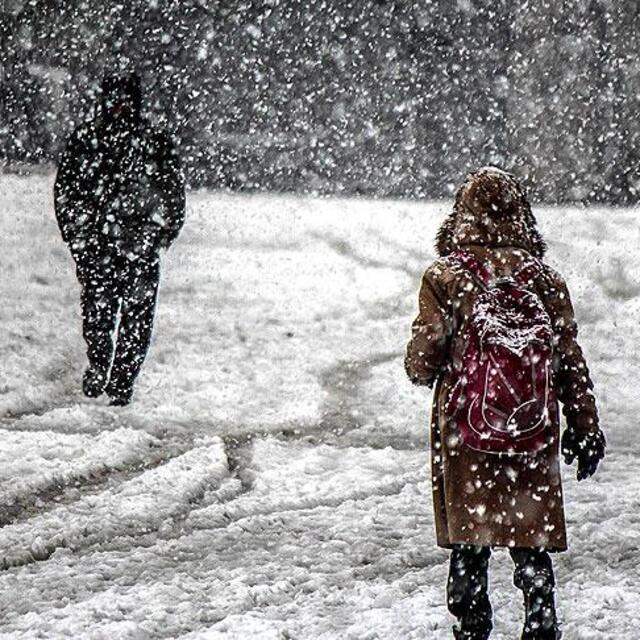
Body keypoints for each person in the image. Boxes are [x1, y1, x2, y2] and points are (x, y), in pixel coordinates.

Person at [405, 167, 605, 640]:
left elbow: (422, 360)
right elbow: (568, 360)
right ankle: (540, 620)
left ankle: (472, 625)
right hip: (531, 432)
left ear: (460, 216)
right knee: (527, 536)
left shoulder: (446, 277)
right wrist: (584, 425)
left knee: (470, 540)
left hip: (466, 430)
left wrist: (430, 362)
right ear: (523, 216)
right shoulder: (545, 280)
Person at [54, 72, 185, 406]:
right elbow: (66, 191)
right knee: (98, 312)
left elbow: (173, 194)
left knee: (136, 320)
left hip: (139, 245)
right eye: (115, 99)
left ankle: (122, 382)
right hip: (97, 244)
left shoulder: (152, 141)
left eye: (126, 99)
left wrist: (159, 235)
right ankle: (99, 364)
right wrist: (78, 235)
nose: (120, 107)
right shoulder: (87, 140)